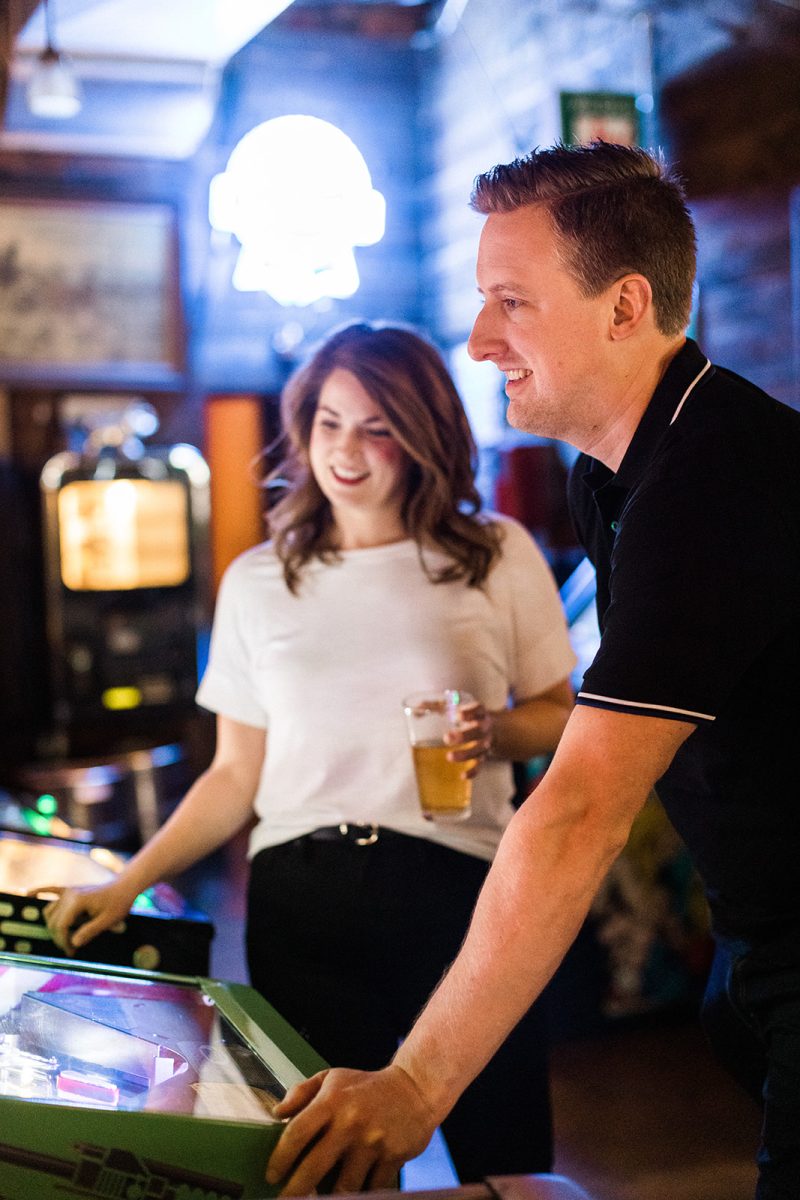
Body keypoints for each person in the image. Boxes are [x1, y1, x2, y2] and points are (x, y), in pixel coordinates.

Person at [264, 142, 800, 1200]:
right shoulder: (615, 476)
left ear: (623, 306)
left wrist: (415, 1086)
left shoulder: (712, 478)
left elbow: (580, 806)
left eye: (510, 300)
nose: (475, 338)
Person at [42, 320, 576, 1184]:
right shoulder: (259, 577)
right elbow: (233, 776)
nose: (347, 451)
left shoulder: (495, 554)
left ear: (424, 432)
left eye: (377, 426)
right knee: (327, 1169)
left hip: (465, 891)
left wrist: (492, 730)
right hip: (303, 900)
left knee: (505, 1152)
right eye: (329, 423)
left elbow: (559, 716)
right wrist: (126, 881)